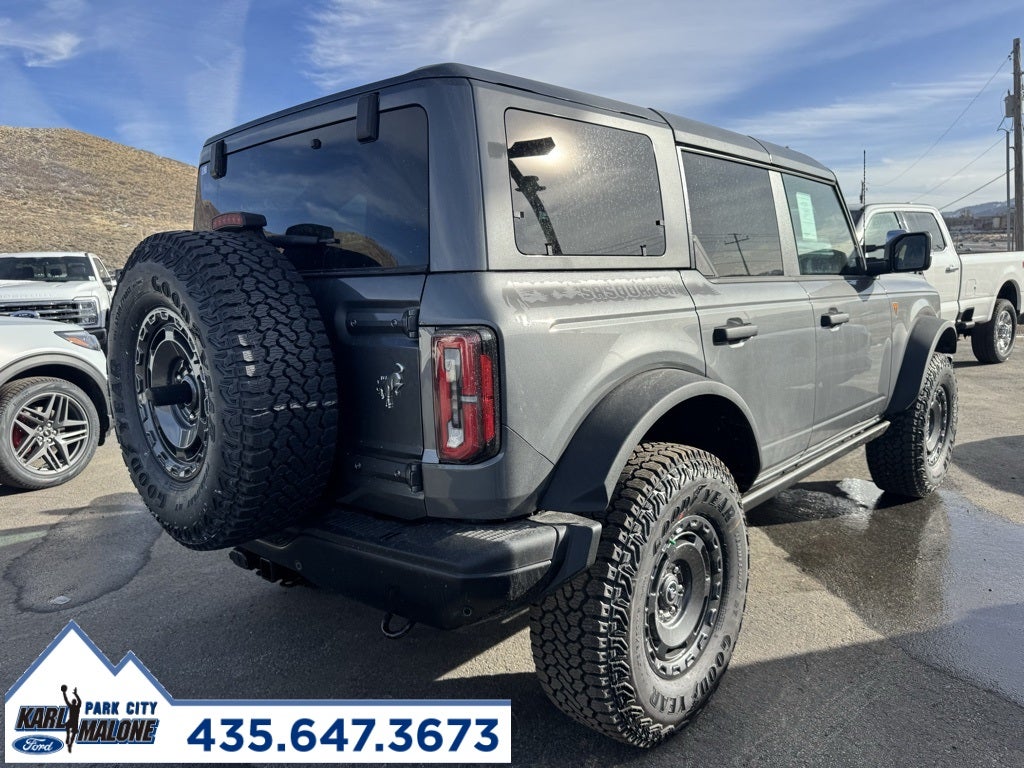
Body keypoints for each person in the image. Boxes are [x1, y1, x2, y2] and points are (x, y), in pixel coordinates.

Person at [61, 684, 81, 753]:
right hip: (74, 722)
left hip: (72, 721)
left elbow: (66, 700)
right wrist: (75, 694)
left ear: (73, 702)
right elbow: (79, 701)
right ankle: (69, 741)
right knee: (72, 733)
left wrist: (64, 693)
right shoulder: (76, 706)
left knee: (68, 727)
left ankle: (68, 739)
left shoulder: (73, 706)